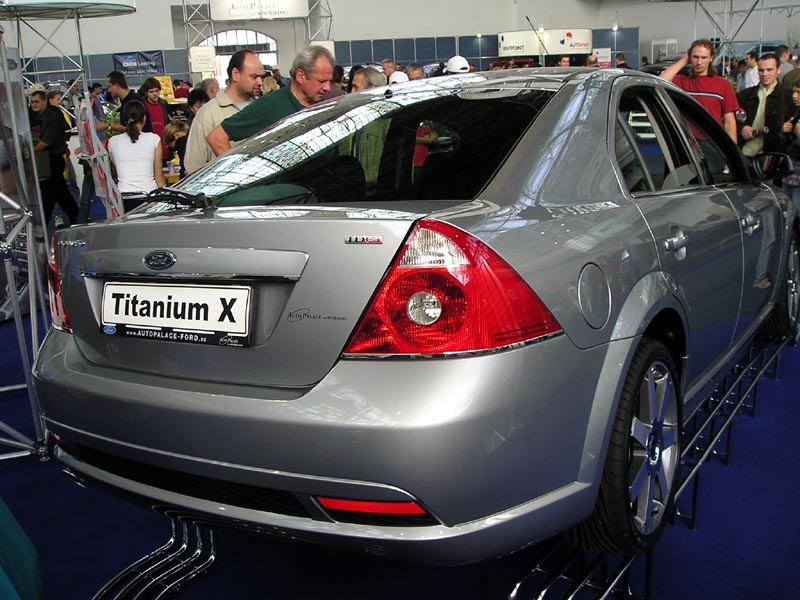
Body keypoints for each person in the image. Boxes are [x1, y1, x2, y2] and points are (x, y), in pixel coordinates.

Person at [206, 45, 335, 157]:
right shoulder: (270, 106)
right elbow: (217, 137)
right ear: (301, 76)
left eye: (329, 81)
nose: (327, 88)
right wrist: (242, 175)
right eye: (321, 81)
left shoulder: (327, 104)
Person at [184, 49, 263, 174]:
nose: (260, 82)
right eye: (254, 77)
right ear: (235, 74)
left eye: (261, 76)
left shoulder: (263, 108)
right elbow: (194, 166)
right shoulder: (208, 114)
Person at [660, 39, 739, 142]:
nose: (699, 62)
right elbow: (661, 80)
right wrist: (685, 60)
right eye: (695, 57)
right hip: (686, 143)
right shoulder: (682, 82)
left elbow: (729, 121)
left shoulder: (723, 85)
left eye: (704, 58)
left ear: (711, 58)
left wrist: (732, 149)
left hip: (713, 142)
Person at [29, 89, 78, 226]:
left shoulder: (51, 119)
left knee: (52, 194)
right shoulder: (40, 118)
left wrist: (29, 151)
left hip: (53, 161)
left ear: (45, 101)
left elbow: (46, 142)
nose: (34, 105)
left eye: (37, 101)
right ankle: (75, 217)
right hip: (48, 161)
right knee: (59, 194)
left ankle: (43, 224)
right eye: (32, 102)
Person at [108, 99, 165, 206]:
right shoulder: (154, 139)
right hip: (149, 196)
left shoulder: (112, 141)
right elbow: (158, 175)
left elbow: (117, 166)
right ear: (144, 118)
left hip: (123, 198)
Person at [737, 53, 793, 157]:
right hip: (745, 152)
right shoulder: (745, 95)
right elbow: (731, 119)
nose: (764, 74)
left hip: (774, 154)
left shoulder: (788, 96)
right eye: (761, 70)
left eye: (769, 70)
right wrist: (742, 128)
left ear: (778, 70)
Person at [781, 79, 800, 210]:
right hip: (792, 171)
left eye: (798, 92)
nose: (794, 96)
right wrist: (786, 130)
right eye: (794, 92)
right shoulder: (796, 111)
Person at [140, 77, 170, 156]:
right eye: (151, 91)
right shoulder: (142, 105)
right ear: (146, 92)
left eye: (157, 91)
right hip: (149, 148)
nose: (155, 94)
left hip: (165, 146)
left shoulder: (164, 104)